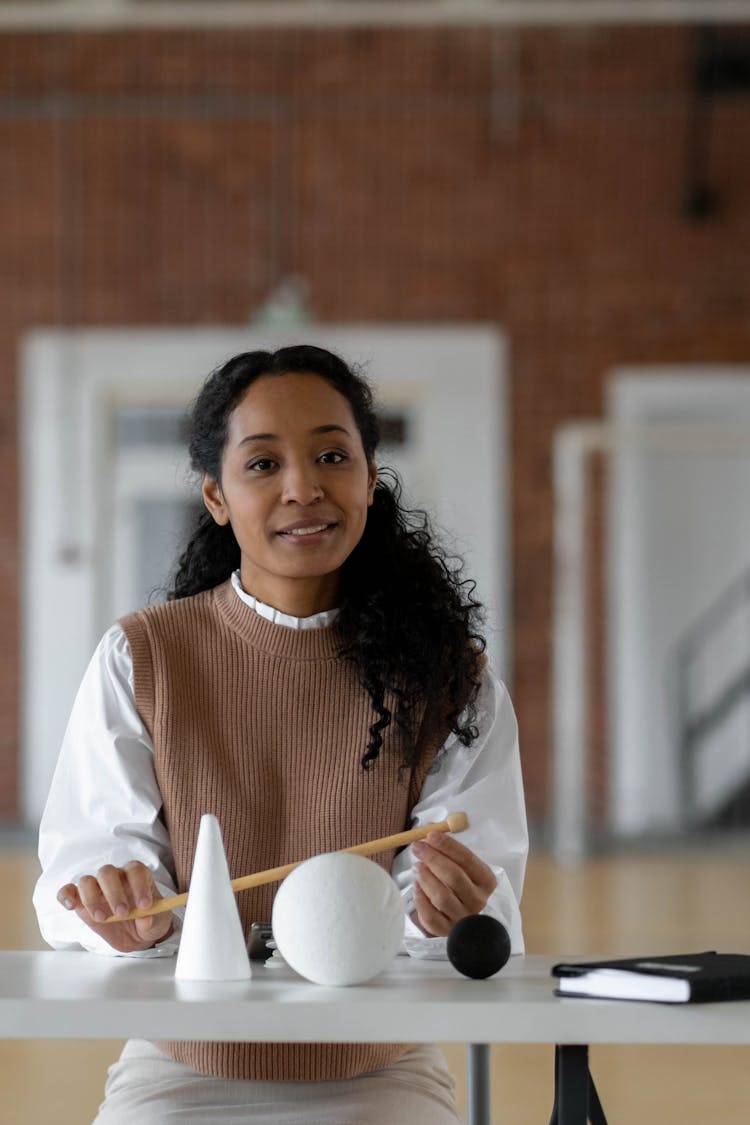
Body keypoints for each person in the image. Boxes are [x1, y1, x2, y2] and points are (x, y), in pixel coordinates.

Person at [33, 344, 528, 1124]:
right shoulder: (142, 656)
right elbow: (83, 869)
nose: (304, 487)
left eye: (333, 455)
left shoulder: (449, 675)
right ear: (217, 495)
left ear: (370, 478)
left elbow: (477, 903)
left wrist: (448, 914)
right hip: (180, 1068)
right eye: (262, 464)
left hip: (383, 1072)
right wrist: (122, 907)